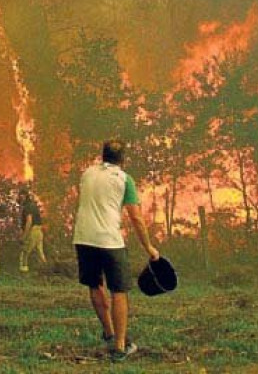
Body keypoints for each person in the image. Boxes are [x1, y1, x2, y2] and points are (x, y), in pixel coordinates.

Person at [72, 140, 159, 362]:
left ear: (103, 156)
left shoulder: (87, 174)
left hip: (83, 237)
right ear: (123, 159)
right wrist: (149, 247)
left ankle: (109, 333)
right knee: (119, 290)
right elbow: (136, 218)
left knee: (95, 284)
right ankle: (120, 347)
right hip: (109, 241)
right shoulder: (124, 179)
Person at [19, 189, 47, 274]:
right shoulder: (33, 205)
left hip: (32, 231)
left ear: (24, 196)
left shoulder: (27, 206)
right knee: (40, 253)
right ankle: (47, 272)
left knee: (24, 252)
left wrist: (24, 236)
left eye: (20, 196)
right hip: (39, 231)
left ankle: (23, 274)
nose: (19, 198)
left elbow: (29, 221)